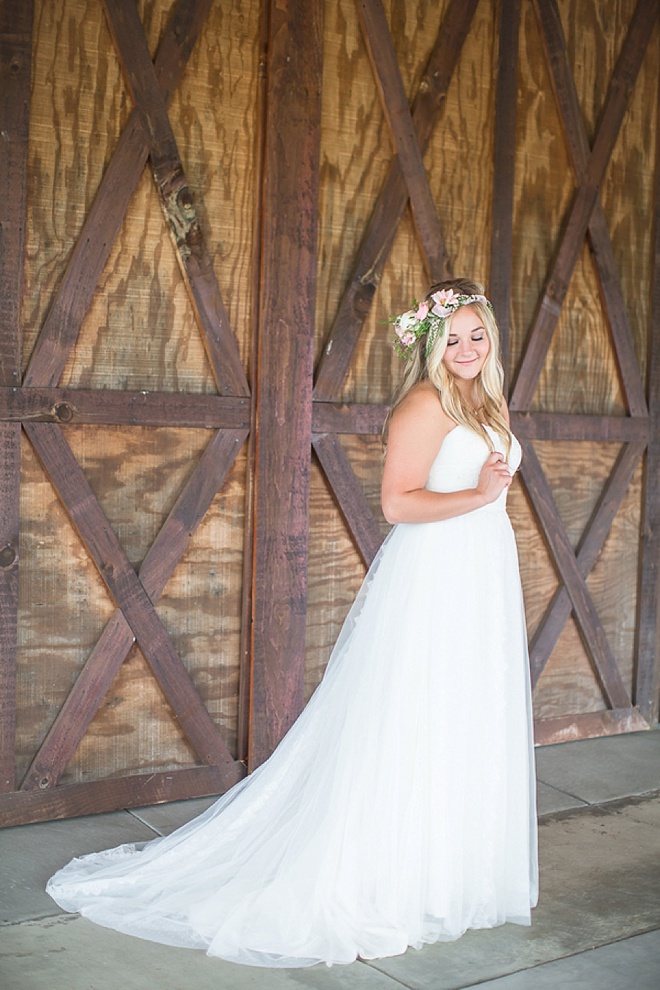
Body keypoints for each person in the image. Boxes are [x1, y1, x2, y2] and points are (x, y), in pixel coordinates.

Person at [47, 278, 538, 968]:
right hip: (436, 577)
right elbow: (396, 505)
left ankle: (450, 871)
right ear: (430, 346)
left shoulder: (487, 399)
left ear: (491, 337)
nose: (465, 348)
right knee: (414, 715)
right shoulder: (424, 405)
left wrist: (485, 504)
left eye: (475, 335)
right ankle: (389, 872)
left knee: (462, 715)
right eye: (450, 337)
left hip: (481, 574)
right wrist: (480, 496)